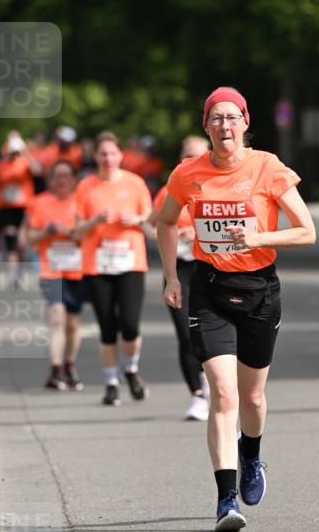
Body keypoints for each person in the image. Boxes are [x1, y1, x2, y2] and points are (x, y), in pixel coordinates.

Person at [157, 87, 316, 532]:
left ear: (246, 123)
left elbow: (307, 232)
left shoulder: (267, 167)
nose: (224, 126)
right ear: (205, 126)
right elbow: (166, 222)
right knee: (224, 395)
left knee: (252, 397)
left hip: (260, 290)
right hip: (208, 289)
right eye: (215, 119)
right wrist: (172, 277)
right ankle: (226, 499)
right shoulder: (188, 173)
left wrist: (259, 239)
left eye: (232, 118)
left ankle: (252, 454)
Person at [74, 131, 153, 406]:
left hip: (131, 262)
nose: (108, 158)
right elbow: (76, 230)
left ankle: (131, 369)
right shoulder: (85, 186)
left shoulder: (135, 183)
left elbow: (150, 221)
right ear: (95, 157)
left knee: (130, 324)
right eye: (102, 154)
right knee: (107, 327)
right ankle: (110, 382)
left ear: (121, 155)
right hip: (97, 265)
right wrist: (95, 221)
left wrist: (136, 219)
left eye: (112, 153)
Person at [148, 136, 211, 422]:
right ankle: (197, 394)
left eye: (196, 156)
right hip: (178, 270)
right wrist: (170, 235)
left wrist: (197, 234)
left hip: (211, 267)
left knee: (211, 333)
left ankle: (214, 383)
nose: (190, 162)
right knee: (185, 333)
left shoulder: (217, 187)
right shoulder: (169, 189)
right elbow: (153, 224)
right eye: (186, 156)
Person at [26, 160, 85, 391]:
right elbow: (30, 238)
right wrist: (47, 231)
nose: (61, 180)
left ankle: (69, 365)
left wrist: (70, 233)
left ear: (73, 179)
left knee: (72, 323)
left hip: (77, 269)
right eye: (57, 176)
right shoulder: (39, 203)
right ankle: (55, 368)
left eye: (66, 175)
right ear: (51, 180)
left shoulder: (81, 203)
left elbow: (88, 235)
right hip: (50, 268)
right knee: (57, 317)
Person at [0, 132, 42, 282]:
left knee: (21, 241)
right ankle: (12, 271)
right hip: (7, 207)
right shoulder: (1, 164)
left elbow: (37, 171)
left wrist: (25, 152)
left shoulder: (24, 161)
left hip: (24, 207)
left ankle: (18, 266)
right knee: (10, 237)